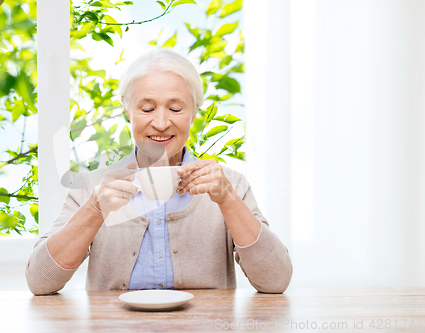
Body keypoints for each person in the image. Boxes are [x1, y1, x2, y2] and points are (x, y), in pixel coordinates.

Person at [25, 49, 292, 295]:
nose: (162, 123)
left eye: (175, 109)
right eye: (147, 108)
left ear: (194, 112)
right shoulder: (93, 186)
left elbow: (276, 281)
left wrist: (229, 200)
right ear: (126, 109)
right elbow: (40, 282)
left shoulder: (229, 184)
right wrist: (94, 209)